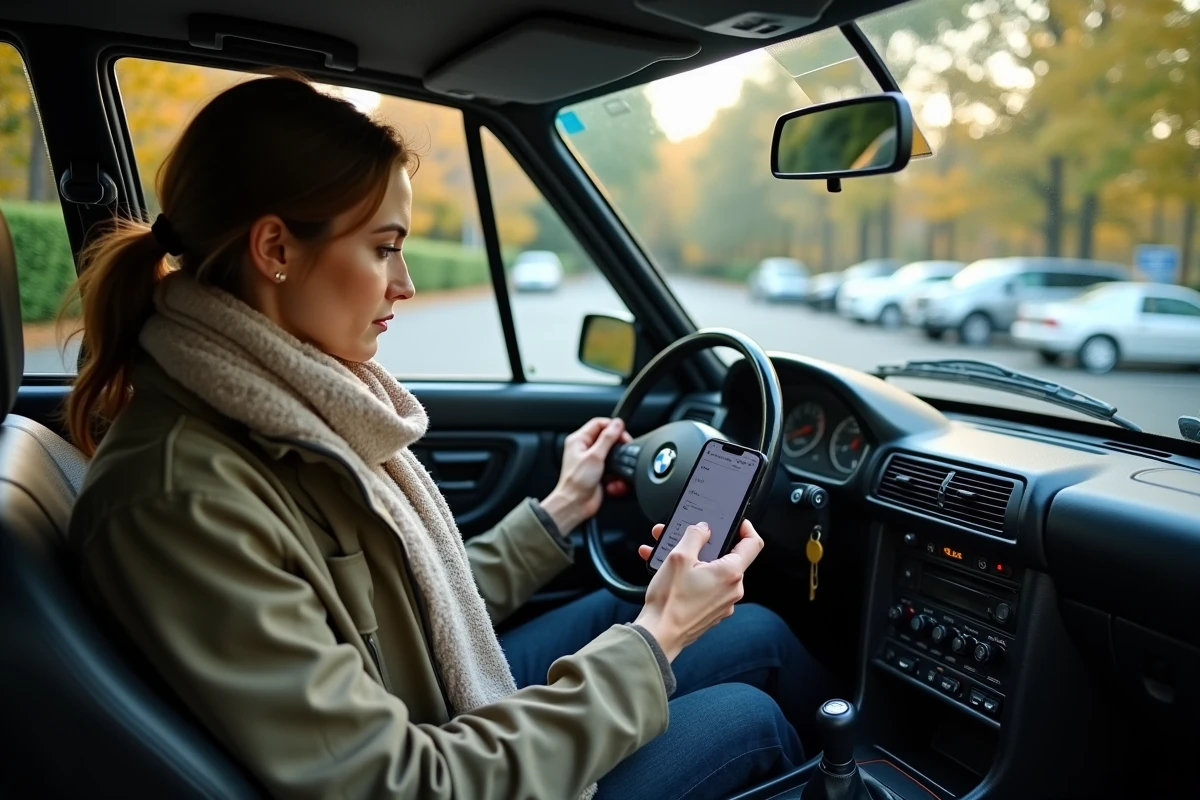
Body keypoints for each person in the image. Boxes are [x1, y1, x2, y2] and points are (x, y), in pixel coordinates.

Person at [64, 75, 828, 800]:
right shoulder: (181, 498)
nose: (406, 284)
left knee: (742, 626)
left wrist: (559, 511)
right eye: (383, 246)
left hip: (429, 705)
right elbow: (402, 784)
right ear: (276, 250)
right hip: (436, 760)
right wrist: (658, 635)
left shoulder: (283, 409)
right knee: (747, 719)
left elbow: (418, 598)